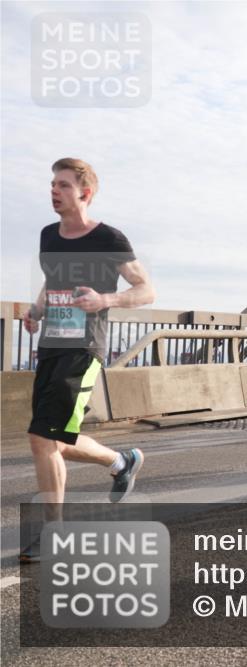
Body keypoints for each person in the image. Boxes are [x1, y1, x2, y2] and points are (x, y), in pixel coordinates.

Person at [21, 158, 156, 563]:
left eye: (62, 184)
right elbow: (52, 280)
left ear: (85, 192)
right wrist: (37, 310)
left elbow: (146, 289)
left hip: (84, 348)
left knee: (42, 438)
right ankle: (121, 461)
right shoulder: (49, 235)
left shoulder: (109, 239)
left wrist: (105, 300)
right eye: (52, 184)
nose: (54, 190)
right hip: (51, 346)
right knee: (54, 439)